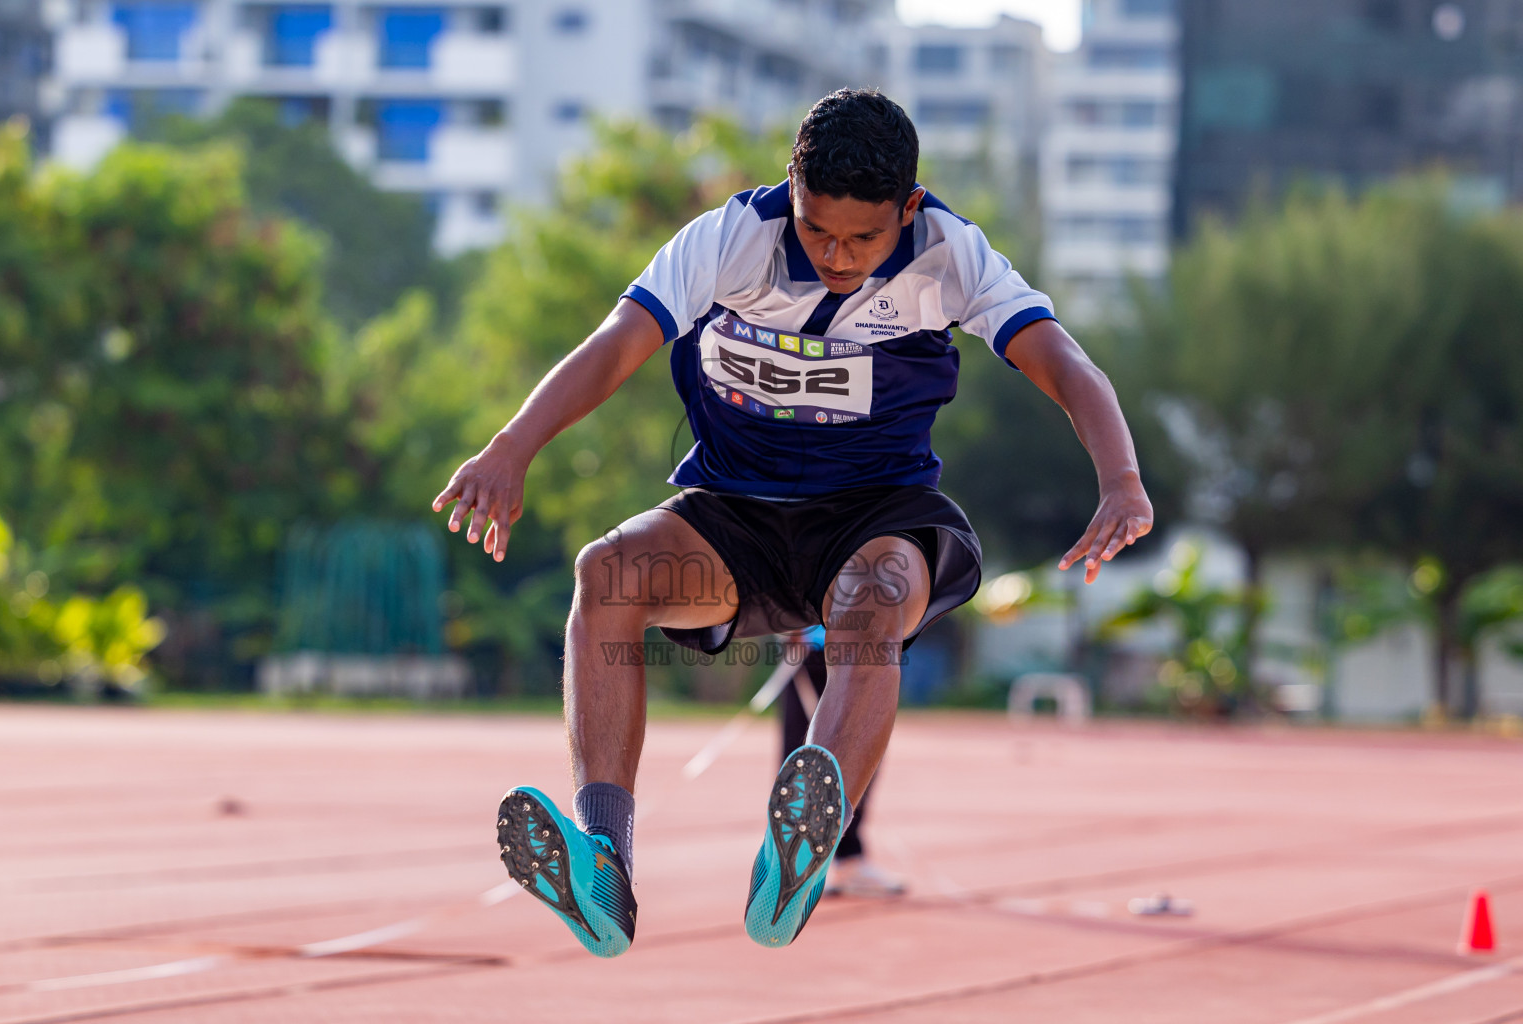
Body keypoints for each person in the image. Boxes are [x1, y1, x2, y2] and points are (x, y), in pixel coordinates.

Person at [434, 89, 1153, 958]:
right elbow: (616, 342)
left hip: (876, 513)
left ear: (909, 210)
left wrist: (1120, 478)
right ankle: (604, 859)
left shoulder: (950, 254)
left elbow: (1063, 361)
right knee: (605, 574)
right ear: (792, 191)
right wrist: (512, 447)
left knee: (874, 597)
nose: (839, 256)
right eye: (819, 232)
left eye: (864, 238)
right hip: (734, 518)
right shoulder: (730, 239)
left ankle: (805, 849)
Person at [780, 625, 906, 899]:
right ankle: (792, 863)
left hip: (869, 651)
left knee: (863, 756)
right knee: (803, 759)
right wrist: (788, 625)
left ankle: (847, 860)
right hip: (814, 650)